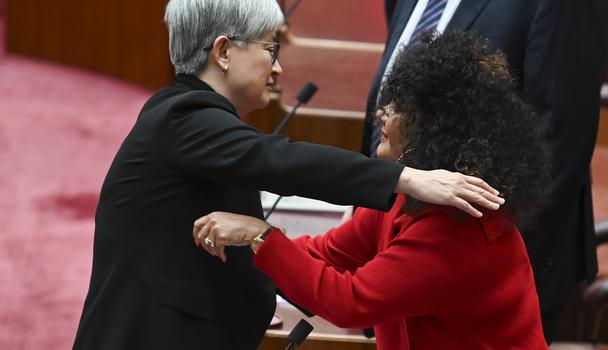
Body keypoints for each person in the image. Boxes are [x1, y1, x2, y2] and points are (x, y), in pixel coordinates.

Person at [70, 0, 504, 350]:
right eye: (269, 48)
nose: (277, 66)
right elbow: (281, 160)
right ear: (223, 51)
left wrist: (251, 296)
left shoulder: (193, 119)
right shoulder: (182, 118)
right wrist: (408, 178)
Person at [193, 30, 551, 350]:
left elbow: (349, 302)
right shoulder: (405, 196)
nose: (383, 112)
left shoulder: (457, 228)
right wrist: (239, 253)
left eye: (401, 108)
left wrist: (260, 235)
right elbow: (329, 252)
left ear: (436, 131)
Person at [361, 0, 608, 342]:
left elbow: (561, 133)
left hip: (479, 277)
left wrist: (482, 264)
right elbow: (403, 71)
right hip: (395, 236)